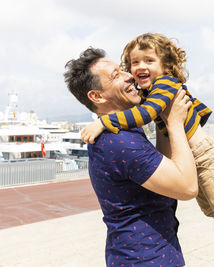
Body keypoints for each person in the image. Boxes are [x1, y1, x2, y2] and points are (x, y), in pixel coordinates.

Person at [81, 33, 214, 267]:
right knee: (212, 210)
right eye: (133, 63)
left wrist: (102, 122)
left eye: (149, 61)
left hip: (203, 153)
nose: (137, 69)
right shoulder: (146, 94)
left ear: (165, 65)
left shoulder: (165, 85)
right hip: (193, 157)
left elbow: (146, 114)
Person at [64, 47, 198, 266]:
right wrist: (174, 123)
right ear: (97, 96)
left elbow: (166, 166)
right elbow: (188, 187)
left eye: (123, 70)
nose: (129, 76)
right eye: (116, 75)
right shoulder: (120, 143)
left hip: (144, 253)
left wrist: (162, 117)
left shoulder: (122, 132)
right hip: (147, 257)